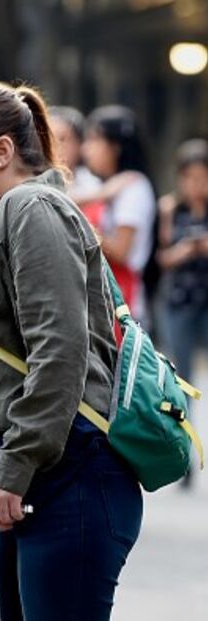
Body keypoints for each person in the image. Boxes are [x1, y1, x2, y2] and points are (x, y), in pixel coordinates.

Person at [0, 79, 143, 620]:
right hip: (48, 479)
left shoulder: (32, 206)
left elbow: (59, 351)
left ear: (2, 151)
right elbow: (21, 336)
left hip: (68, 476)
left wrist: (13, 465)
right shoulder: (14, 213)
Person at [155, 138, 208, 488]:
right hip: (179, 301)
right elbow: (161, 257)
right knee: (184, 382)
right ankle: (185, 457)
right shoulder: (170, 209)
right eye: (190, 177)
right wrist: (188, 250)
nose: (196, 184)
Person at [80, 105, 157, 317]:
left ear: (115, 147)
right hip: (104, 298)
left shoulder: (134, 187)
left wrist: (79, 225)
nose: (86, 149)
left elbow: (121, 252)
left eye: (94, 140)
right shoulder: (103, 185)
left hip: (124, 303)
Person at [48, 106, 101, 195]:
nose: (54, 146)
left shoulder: (94, 184)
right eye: (48, 139)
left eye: (62, 139)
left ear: (80, 144)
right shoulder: (27, 183)